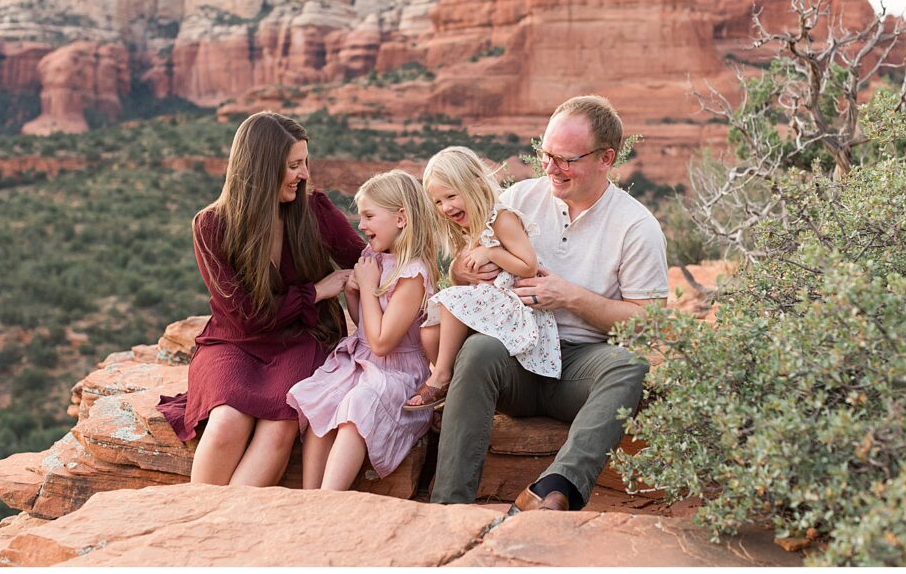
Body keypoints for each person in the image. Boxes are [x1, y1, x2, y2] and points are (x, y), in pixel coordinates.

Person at [430, 95, 669, 513]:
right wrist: (463, 274)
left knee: (630, 367)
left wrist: (570, 297)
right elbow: (466, 263)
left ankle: (554, 490)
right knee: (478, 349)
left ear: (605, 158)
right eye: (546, 154)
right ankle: (450, 505)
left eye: (565, 158)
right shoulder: (519, 199)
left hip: (580, 365)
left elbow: (646, 323)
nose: (550, 167)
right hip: (517, 356)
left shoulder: (636, 226)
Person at [157, 112, 364, 486]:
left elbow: (366, 257)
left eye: (305, 163)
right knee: (225, 423)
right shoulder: (212, 226)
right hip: (234, 342)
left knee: (280, 424)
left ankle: (230, 528)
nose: (304, 174)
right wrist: (316, 291)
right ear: (262, 168)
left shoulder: (313, 209)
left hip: (300, 338)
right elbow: (246, 318)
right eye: (293, 165)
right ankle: (198, 521)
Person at [286, 170, 439, 490]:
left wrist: (368, 288)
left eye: (369, 216)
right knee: (323, 399)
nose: (362, 225)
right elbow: (365, 328)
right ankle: (308, 499)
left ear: (401, 218)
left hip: (397, 372)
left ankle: (330, 498)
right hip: (363, 359)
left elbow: (383, 342)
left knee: (359, 403)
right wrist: (354, 293)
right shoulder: (375, 256)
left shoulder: (413, 274)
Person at [404, 146, 560, 411]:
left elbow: (528, 266)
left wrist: (492, 252)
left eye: (451, 196)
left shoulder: (502, 219)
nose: (446, 207)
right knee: (429, 331)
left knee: (451, 301)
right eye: (439, 202)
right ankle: (449, 382)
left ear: (476, 184)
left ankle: (441, 375)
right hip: (491, 301)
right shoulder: (470, 228)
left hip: (515, 304)